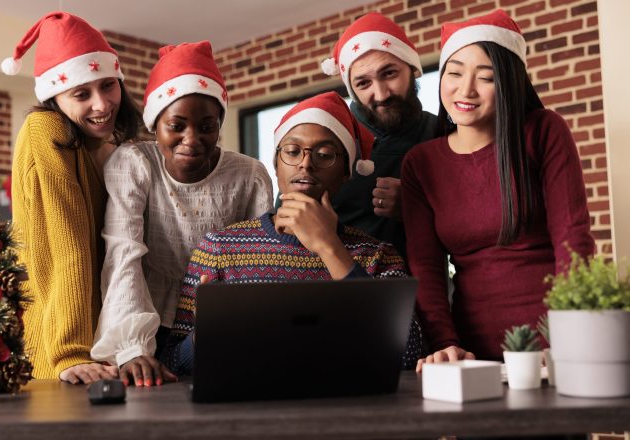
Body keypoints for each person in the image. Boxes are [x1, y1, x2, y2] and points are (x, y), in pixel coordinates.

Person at [160, 92, 423, 374]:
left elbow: (408, 354)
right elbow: (173, 364)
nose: (305, 164)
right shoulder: (219, 249)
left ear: (346, 171)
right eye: (293, 151)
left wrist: (329, 247)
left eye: (324, 154)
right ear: (276, 165)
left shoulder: (378, 256)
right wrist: (204, 335)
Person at [400, 10, 595, 370]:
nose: (465, 89)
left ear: (509, 83)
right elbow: (425, 266)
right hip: (472, 350)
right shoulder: (421, 163)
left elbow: (573, 236)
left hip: (554, 342)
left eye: (486, 77)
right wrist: (446, 343)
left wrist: (573, 329)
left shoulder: (543, 131)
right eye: (454, 72)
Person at [90, 41, 274, 387]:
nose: (192, 139)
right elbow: (123, 252)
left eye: (207, 126)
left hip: (222, 325)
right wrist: (131, 348)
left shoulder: (249, 175)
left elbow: (258, 261)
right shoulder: (135, 162)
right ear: (155, 124)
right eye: (176, 125)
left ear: (219, 125)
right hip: (148, 320)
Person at [7, 12, 143, 383]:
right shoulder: (45, 128)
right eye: (81, 94)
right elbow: (66, 244)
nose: (101, 104)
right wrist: (71, 352)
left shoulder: (110, 146)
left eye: (108, 86)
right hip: (64, 346)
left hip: (105, 339)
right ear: (54, 97)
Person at [321, 12, 438, 255]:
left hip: (422, 287)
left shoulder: (443, 133)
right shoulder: (325, 135)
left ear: (412, 68)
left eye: (389, 73)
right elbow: (289, 228)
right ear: (352, 89)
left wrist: (419, 207)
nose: (382, 94)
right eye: (363, 83)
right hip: (332, 289)